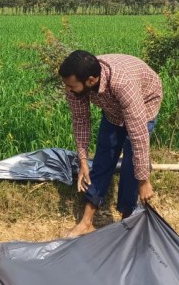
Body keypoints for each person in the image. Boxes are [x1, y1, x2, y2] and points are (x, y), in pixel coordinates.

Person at [58, 50, 163, 238]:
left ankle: (127, 219)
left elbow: (139, 135)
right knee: (103, 157)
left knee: (131, 163)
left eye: (71, 86)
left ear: (91, 80)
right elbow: (81, 120)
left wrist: (144, 180)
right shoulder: (76, 87)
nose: (68, 90)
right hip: (113, 109)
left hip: (144, 101)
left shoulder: (123, 84)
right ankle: (86, 222)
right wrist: (83, 160)